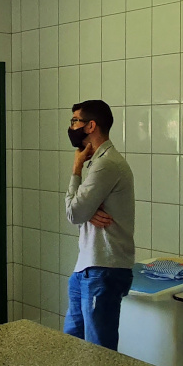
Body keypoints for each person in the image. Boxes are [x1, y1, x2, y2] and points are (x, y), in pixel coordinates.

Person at [63, 99, 135, 350]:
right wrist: (87, 210)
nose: (71, 127)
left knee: (98, 352)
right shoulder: (97, 162)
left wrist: (76, 169)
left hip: (104, 268)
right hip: (86, 267)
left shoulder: (106, 164)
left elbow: (74, 213)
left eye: (75, 121)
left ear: (91, 126)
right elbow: (81, 211)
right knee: (72, 345)